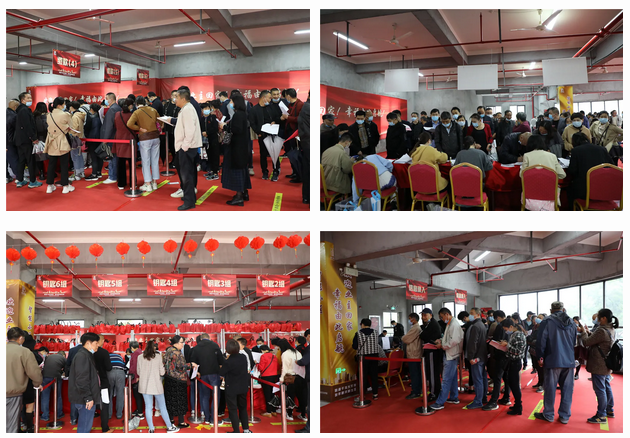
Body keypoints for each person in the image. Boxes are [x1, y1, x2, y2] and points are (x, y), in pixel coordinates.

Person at [534, 301, 576, 424]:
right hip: (569, 360)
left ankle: (548, 414)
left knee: (550, 389)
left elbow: (541, 341)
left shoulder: (547, 321)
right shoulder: (572, 322)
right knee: (567, 389)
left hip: (552, 359)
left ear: (551, 310)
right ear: (563, 309)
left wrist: (540, 357)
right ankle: (564, 416)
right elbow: (574, 342)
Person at [578, 308, 618, 424]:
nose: (597, 319)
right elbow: (599, 340)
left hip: (599, 364)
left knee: (600, 390)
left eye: (599, 317)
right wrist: (589, 332)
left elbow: (586, 342)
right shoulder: (610, 328)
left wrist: (583, 332)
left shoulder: (601, 330)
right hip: (606, 364)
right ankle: (609, 410)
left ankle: (601, 415)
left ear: (604, 318)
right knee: (606, 387)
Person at [137, 340, 180, 433]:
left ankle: (151, 428)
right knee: (162, 407)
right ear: (154, 348)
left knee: (148, 407)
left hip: (144, 386)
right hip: (156, 385)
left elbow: (138, 372)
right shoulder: (158, 357)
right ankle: (169, 427)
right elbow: (162, 372)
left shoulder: (140, 357)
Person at [6, 328, 42, 433]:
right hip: (13, 393)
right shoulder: (24, 352)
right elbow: (34, 372)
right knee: (11, 424)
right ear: (21, 338)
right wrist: (37, 383)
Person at [172, 89, 202, 210]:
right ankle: (190, 197)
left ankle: (189, 201)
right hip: (187, 147)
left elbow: (190, 130)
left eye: (177, 97)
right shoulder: (186, 108)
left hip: (187, 147)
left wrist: (184, 146)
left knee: (187, 175)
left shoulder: (188, 109)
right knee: (188, 173)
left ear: (183, 98)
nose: (175, 100)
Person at [429, 307, 464, 411]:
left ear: (446, 314)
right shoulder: (451, 323)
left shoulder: (453, 325)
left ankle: (440, 402)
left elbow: (453, 341)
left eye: (442, 316)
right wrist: (441, 340)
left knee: (446, 379)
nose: (441, 319)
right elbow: (449, 338)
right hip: (451, 354)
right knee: (452, 378)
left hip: (451, 354)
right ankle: (453, 397)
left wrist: (442, 345)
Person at [566, 132, 613, 206]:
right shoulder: (602, 149)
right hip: (602, 187)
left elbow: (572, 170)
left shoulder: (576, 150)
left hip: (584, 190)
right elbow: (611, 166)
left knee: (568, 189)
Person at [220, 94, 251, 207]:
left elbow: (236, 130)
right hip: (241, 148)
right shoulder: (243, 114)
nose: (230, 104)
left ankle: (239, 196)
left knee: (236, 171)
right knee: (242, 170)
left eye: (231, 101)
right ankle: (244, 192)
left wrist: (224, 126)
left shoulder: (238, 115)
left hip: (236, 149)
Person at [69, 332, 101, 433]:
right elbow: (82, 379)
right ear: (88, 343)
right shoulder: (82, 356)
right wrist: (88, 397)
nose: (98, 345)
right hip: (84, 399)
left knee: (85, 425)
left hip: (84, 397)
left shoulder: (86, 355)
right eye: (96, 343)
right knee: (84, 427)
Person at [127, 95, 161, 192]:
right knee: (155, 160)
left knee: (146, 161)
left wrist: (139, 128)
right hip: (155, 137)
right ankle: (154, 183)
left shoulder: (137, 112)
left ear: (136, 104)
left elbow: (129, 124)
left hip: (145, 138)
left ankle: (148, 184)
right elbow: (160, 121)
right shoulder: (153, 110)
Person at [190, 333, 224, 426]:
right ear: (209, 338)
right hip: (214, 373)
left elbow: (192, 362)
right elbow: (221, 360)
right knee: (215, 396)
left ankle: (207, 418)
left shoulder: (196, 348)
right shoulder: (214, 345)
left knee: (205, 396)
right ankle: (213, 419)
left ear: (201, 339)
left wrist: (197, 371)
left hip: (202, 374)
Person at [219, 339, 252, 433]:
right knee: (243, 408)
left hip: (232, 388)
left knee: (233, 409)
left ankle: (236, 431)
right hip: (243, 386)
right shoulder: (243, 357)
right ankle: (246, 429)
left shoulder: (228, 361)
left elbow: (221, 372)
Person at [44, 97, 75, 194]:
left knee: (51, 164)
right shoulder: (66, 114)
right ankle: (65, 186)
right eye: (64, 104)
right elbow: (72, 127)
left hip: (51, 141)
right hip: (62, 141)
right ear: (59, 105)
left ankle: (49, 186)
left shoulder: (49, 115)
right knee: (64, 165)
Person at [497, 318, 527, 416]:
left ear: (511, 326)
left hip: (515, 362)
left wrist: (507, 345)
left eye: (506, 329)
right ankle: (517, 405)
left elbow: (517, 351)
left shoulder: (518, 335)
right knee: (512, 384)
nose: (506, 331)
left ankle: (518, 406)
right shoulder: (515, 334)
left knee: (515, 386)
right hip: (512, 361)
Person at [249, 90, 281, 181]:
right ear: (264, 98)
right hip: (262, 135)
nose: (270, 99)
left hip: (273, 134)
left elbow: (277, 117)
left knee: (274, 153)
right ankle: (265, 171)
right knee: (263, 154)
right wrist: (258, 132)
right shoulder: (254, 109)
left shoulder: (271, 107)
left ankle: (276, 171)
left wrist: (275, 122)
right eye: (269, 98)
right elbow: (252, 123)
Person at [14, 92, 42, 189]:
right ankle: (32, 181)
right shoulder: (25, 110)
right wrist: (33, 138)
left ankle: (20, 180)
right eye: (28, 98)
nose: (30, 99)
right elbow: (28, 125)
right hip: (26, 140)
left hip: (19, 140)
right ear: (22, 100)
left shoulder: (19, 110)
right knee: (30, 160)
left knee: (21, 160)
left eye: (30, 97)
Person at [163, 336, 192, 428]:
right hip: (178, 380)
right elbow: (182, 366)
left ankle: (171, 419)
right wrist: (191, 365)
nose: (183, 344)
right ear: (176, 343)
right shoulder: (177, 353)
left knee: (170, 400)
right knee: (180, 400)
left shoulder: (168, 351)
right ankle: (181, 422)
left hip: (168, 378)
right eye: (181, 342)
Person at [464, 308, 488, 409]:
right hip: (482, 356)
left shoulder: (475, 326)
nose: (470, 315)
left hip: (476, 357)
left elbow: (473, 343)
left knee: (477, 379)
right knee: (482, 378)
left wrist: (471, 357)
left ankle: (478, 401)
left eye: (471, 313)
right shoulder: (482, 325)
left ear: (478, 315)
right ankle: (483, 397)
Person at [352, 318, 380, 400]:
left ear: (363, 324)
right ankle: (375, 394)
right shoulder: (376, 332)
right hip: (374, 356)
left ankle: (362, 395)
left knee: (362, 376)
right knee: (374, 375)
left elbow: (355, 346)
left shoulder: (358, 333)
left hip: (363, 357)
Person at [419, 309, 442, 402]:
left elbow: (423, 336)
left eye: (425, 315)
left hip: (432, 351)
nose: (423, 317)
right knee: (433, 373)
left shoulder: (433, 324)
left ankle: (433, 393)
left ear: (431, 315)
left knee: (433, 373)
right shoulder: (428, 324)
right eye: (422, 315)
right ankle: (436, 391)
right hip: (430, 351)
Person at [321, 133, 354, 197]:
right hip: (336, 184)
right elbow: (347, 169)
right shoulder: (342, 153)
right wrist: (351, 161)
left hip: (325, 182)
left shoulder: (327, 150)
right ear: (347, 142)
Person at [100, 92, 122, 185]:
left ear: (111, 99)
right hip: (116, 136)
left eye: (106, 98)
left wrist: (105, 139)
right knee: (115, 157)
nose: (105, 100)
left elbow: (109, 126)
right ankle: (114, 175)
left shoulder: (112, 110)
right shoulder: (118, 108)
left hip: (111, 137)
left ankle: (112, 176)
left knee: (112, 157)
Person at [93, 335, 113, 433]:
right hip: (103, 382)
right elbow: (109, 367)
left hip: (91, 383)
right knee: (105, 404)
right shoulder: (104, 352)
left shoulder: (88, 353)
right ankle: (105, 428)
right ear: (101, 341)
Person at [401, 313, 423, 400]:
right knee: (416, 373)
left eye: (410, 318)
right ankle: (418, 390)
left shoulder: (416, 328)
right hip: (415, 353)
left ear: (413, 319)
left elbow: (405, 339)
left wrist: (403, 337)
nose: (409, 320)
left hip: (414, 354)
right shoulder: (415, 327)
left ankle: (416, 391)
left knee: (414, 374)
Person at [41, 350, 66, 422]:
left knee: (45, 397)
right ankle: (59, 414)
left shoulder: (49, 357)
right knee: (58, 396)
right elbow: (66, 369)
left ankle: (45, 416)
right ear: (63, 355)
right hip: (56, 377)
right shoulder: (63, 358)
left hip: (45, 377)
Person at [257, 345, 279, 417]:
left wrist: (256, 364)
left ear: (262, 350)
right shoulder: (274, 356)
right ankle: (274, 410)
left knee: (267, 394)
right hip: (274, 376)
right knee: (273, 394)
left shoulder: (263, 356)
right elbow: (278, 367)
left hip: (266, 377)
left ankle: (268, 411)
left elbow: (261, 368)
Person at [295, 329, 310, 433]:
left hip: (309, 376)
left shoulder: (310, 348)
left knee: (310, 403)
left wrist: (297, 362)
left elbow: (304, 361)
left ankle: (309, 428)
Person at [84, 103, 104, 180]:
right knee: (100, 156)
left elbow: (87, 128)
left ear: (92, 109)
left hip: (92, 138)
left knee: (94, 157)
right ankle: (99, 172)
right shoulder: (101, 117)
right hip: (100, 138)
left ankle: (94, 174)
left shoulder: (89, 117)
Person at [68, 101, 87, 180]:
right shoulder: (80, 115)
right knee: (79, 156)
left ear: (72, 107)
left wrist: (69, 131)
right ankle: (81, 172)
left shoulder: (75, 116)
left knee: (75, 156)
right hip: (80, 137)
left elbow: (74, 129)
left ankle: (76, 174)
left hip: (74, 138)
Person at [127, 341, 145, 418]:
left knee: (137, 395)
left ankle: (140, 413)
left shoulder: (136, 354)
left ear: (131, 347)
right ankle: (139, 410)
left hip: (136, 377)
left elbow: (135, 367)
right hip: (139, 377)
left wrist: (136, 376)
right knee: (138, 395)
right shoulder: (140, 353)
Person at [298, 90, 310, 204]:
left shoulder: (306, 107)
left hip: (306, 142)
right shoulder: (309, 108)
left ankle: (306, 197)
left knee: (307, 170)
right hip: (309, 143)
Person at [107, 352, 126, 420]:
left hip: (110, 372)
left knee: (109, 394)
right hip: (120, 372)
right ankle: (119, 414)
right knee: (120, 394)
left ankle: (109, 414)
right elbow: (124, 366)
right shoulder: (119, 357)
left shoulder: (107, 356)